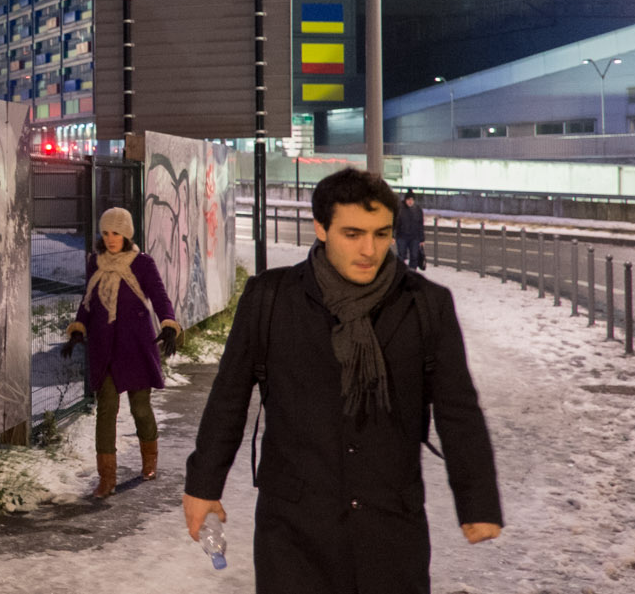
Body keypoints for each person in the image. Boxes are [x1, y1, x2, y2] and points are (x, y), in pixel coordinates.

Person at [182, 169, 501, 593]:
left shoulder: (425, 304)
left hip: (391, 529)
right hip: (293, 529)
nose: (369, 249)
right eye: (353, 233)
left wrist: (477, 500)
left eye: (381, 233)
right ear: (320, 228)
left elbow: (458, 409)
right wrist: (203, 486)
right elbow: (229, 395)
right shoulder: (271, 298)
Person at [62, 206, 181, 499]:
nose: (111, 238)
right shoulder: (95, 262)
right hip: (105, 348)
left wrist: (168, 324)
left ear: (126, 234)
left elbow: (159, 294)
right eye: (106, 233)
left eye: (116, 232)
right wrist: (79, 328)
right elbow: (88, 299)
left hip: (137, 347)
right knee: (106, 410)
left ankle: (149, 460)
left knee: (140, 408)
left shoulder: (142, 263)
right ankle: (107, 479)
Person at [395, 191, 426, 270]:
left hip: (414, 237)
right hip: (402, 236)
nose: (410, 201)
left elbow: (420, 225)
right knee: (401, 256)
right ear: (405, 200)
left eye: (412, 199)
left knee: (414, 256)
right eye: (408, 199)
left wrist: (422, 239)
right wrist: (393, 236)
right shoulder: (400, 208)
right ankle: (401, 273)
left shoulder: (417, 209)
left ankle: (412, 273)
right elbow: (395, 223)